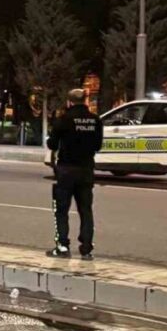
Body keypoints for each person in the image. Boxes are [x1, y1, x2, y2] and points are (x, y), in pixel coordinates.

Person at [46, 89, 103, 260]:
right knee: (85, 210)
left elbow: (52, 144)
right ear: (85, 100)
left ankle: (62, 246)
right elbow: (98, 146)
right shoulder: (95, 120)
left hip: (66, 169)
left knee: (61, 210)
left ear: (69, 102)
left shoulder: (64, 119)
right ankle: (86, 248)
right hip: (86, 170)